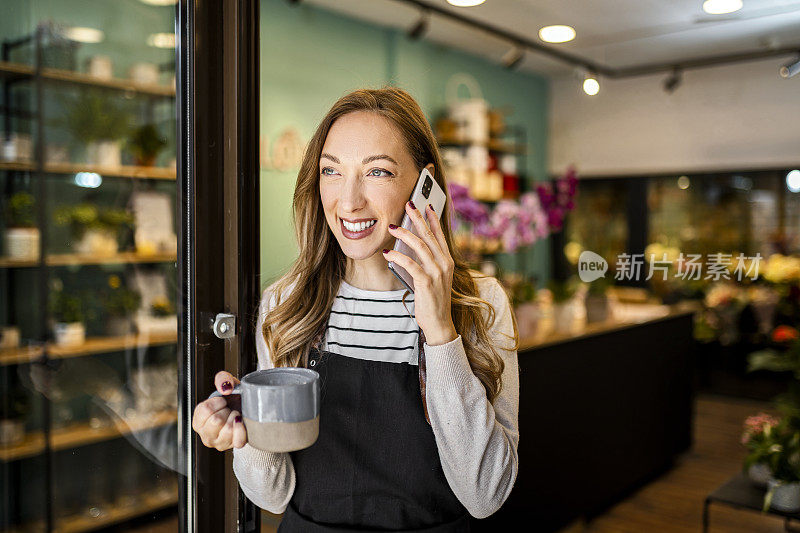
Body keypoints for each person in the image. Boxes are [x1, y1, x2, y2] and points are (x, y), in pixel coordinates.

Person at [192, 87, 519, 532]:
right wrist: (246, 437)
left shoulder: (481, 304)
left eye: (378, 172)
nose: (348, 202)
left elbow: (486, 495)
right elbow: (272, 494)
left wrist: (440, 331)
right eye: (331, 171)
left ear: (425, 186)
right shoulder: (287, 304)